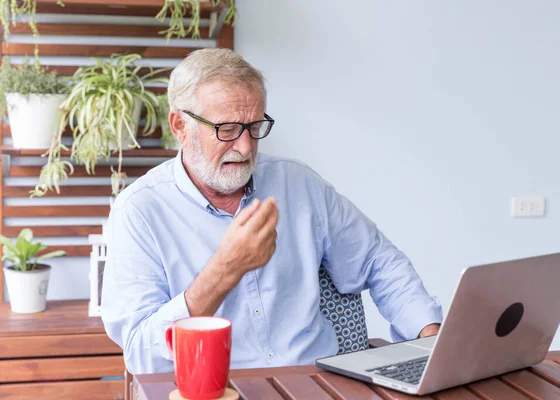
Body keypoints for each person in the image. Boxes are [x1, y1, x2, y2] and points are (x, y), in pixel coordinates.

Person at [101, 48, 442, 375]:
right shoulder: (139, 210)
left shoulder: (297, 183)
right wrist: (224, 270)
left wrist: (429, 335)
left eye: (254, 127)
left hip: (315, 382)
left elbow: (378, 261)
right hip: (217, 390)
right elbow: (142, 352)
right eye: (228, 129)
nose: (246, 146)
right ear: (179, 126)